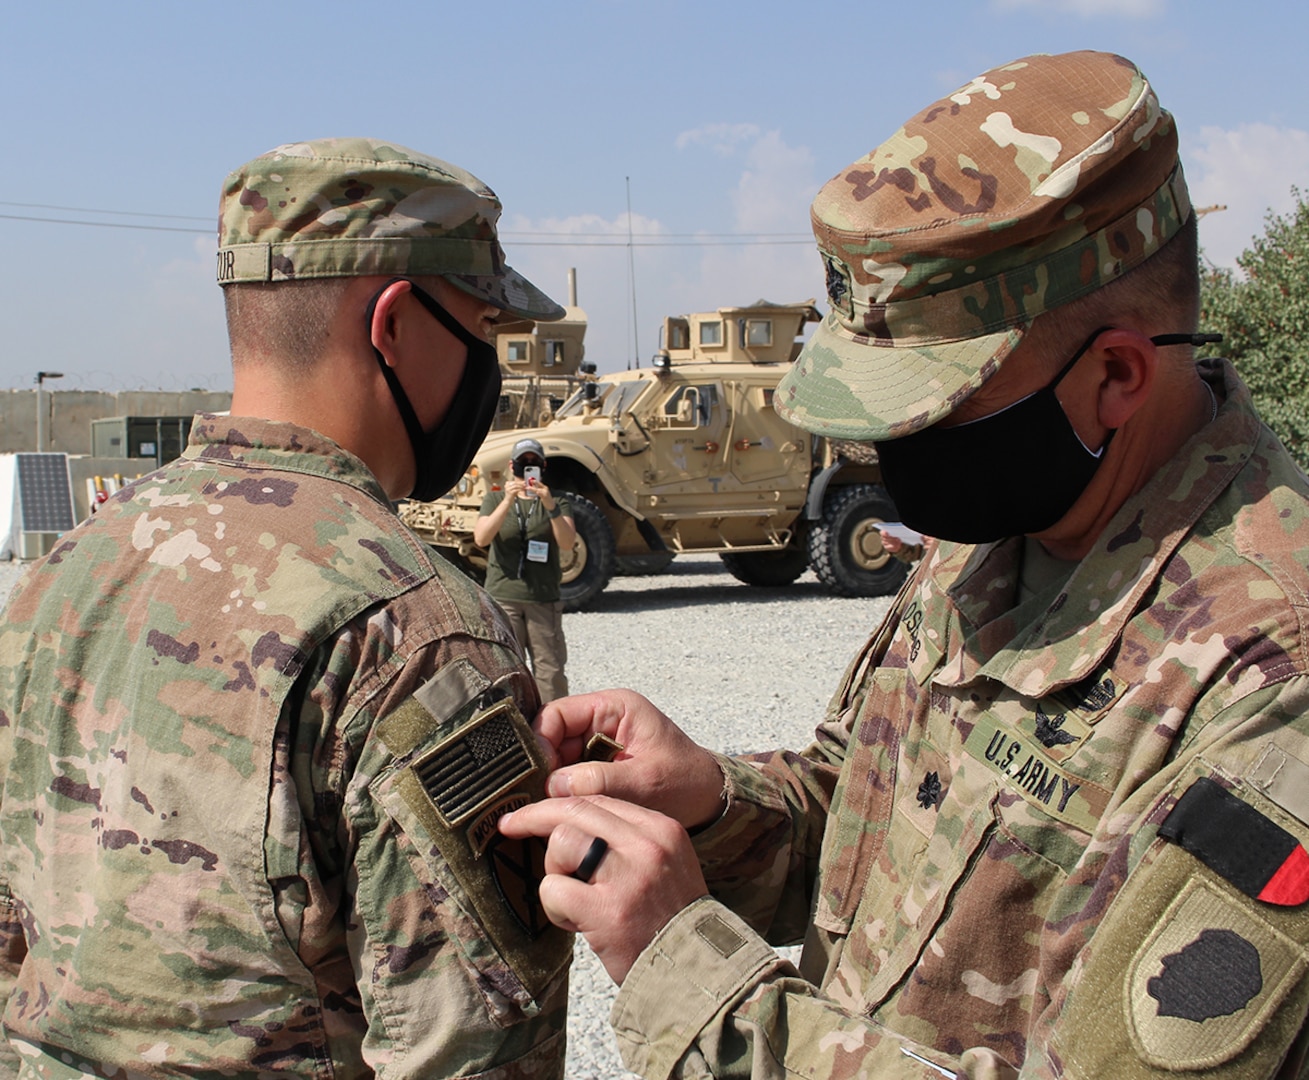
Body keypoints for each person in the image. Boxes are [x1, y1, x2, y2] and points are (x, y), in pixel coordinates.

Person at [499, 51, 1309, 1078]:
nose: (886, 450)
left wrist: (687, 973)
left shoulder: (1268, 684)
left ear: (1113, 375)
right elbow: (866, 815)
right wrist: (711, 802)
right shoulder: (1005, 527)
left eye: (931, 409)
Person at [0, 138, 577, 1078]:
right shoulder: (415, 630)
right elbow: (473, 1049)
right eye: (483, 332)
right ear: (393, 323)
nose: (490, 370)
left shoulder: (62, 574)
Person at [473, 438, 576, 702]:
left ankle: (555, 729)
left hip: (542, 597)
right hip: (504, 595)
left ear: (543, 466)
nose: (527, 469)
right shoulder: (495, 498)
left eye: (533, 463)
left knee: (549, 670)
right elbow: (481, 538)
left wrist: (550, 505)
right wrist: (508, 500)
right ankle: (514, 725)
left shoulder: (558, 500)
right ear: (511, 466)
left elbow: (566, 543)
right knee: (505, 668)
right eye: (522, 464)